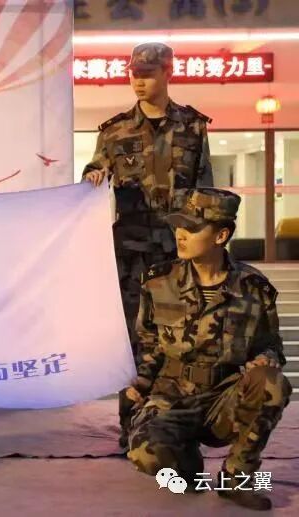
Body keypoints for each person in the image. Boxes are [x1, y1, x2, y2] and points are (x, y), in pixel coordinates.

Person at [125, 188, 291, 511]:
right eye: (178, 225)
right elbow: (148, 344)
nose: (180, 234)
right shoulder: (158, 282)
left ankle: (237, 477)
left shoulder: (254, 289)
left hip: (224, 398)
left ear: (221, 235)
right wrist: (139, 386)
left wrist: (265, 359)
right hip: (172, 395)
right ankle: (186, 464)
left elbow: (271, 345)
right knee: (145, 453)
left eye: (192, 227)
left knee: (272, 383)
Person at [82, 42, 214, 446]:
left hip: (179, 253)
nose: (138, 81)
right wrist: (92, 176)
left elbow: (206, 192)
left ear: (168, 73)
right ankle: (133, 427)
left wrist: (211, 252)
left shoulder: (193, 127)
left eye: (148, 74)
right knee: (134, 341)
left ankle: (173, 426)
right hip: (132, 256)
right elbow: (94, 170)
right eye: (134, 74)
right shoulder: (115, 130)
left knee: (182, 339)